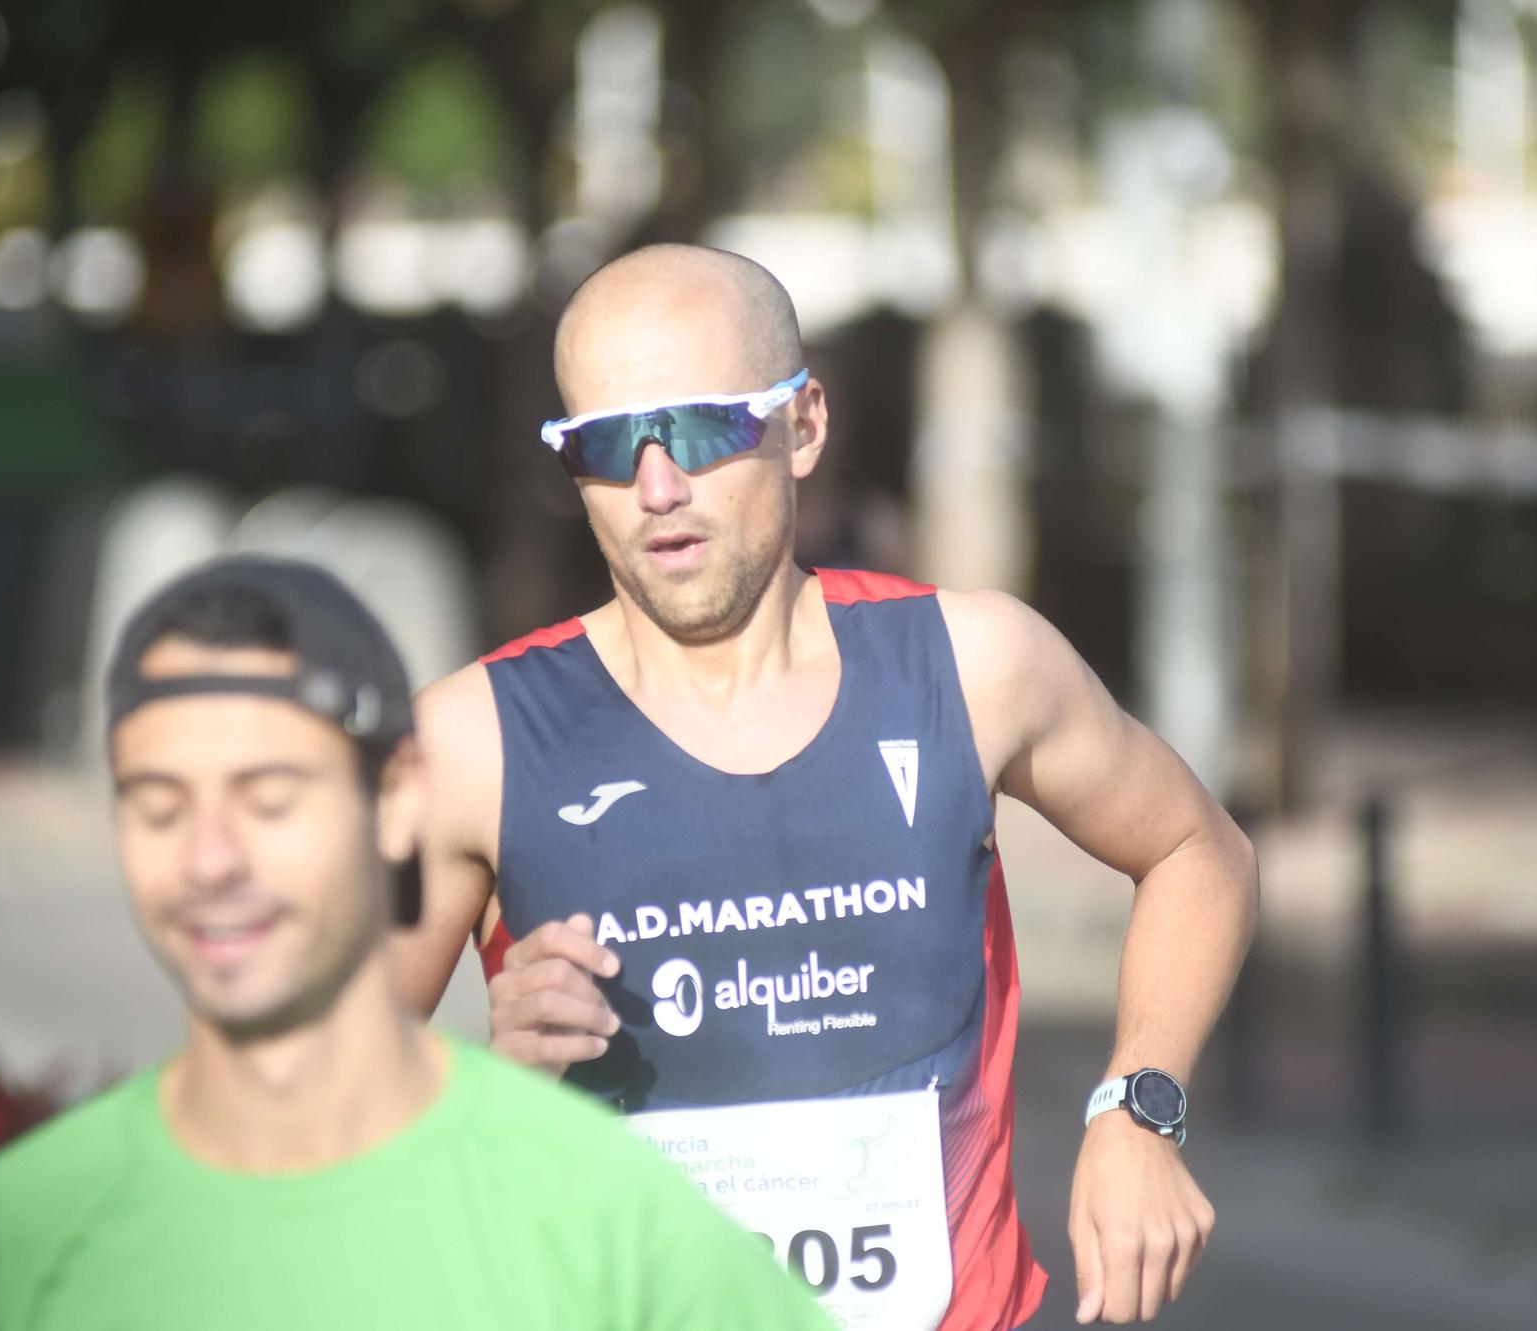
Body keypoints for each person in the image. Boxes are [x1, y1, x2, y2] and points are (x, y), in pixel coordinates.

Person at [397, 246, 1259, 1330]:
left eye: (704, 428)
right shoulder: (473, 741)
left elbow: (1196, 850)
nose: (656, 486)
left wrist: (1138, 1106)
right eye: (607, 446)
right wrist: (489, 1087)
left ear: (802, 425)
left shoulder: (969, 664)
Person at [0, 555, 830, 1331]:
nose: (212, 858)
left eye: (270, 798)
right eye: (159, 804)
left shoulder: (618, 1223)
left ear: (397, 800)